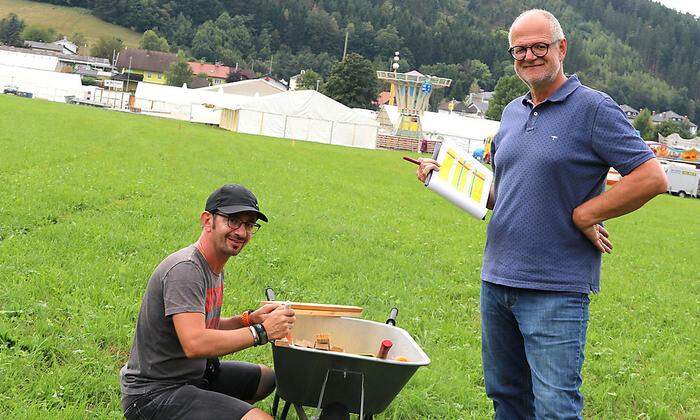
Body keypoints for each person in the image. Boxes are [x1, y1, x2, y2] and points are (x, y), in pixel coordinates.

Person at [416, 9, 667, 419]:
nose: (529, 56)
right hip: (496, 281)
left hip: (555, 288)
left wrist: (586, 213)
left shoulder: (593, 109)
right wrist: (444, 178)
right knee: (507, 398)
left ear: (561, 48)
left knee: (554, 407)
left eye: (539, 46)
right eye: (519, 50)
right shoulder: (513, 113)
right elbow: (506, 193)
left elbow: (651, 176)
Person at [119, 184, 295, 420]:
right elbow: (195, 342)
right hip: (154, 394)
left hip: (193, 378)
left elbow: (202, 324)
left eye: (249, 224)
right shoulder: (186, 269)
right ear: (207, 220)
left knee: (265, 379)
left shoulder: (213, 266)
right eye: (233, 220)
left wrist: (247, 319)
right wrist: (261, 331)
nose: (242, 232)